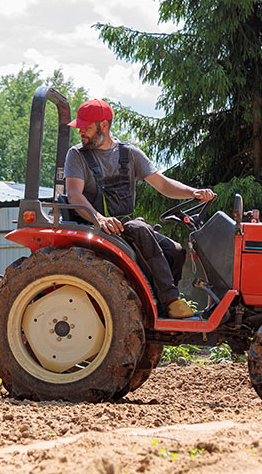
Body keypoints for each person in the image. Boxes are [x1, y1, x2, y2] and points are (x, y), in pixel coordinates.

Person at [64, 99, 215, 319]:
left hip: (125, 225)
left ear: (104, 125)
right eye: (80, 127)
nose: (81, 132)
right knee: (139, 228)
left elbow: (162, 184)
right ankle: (171, 300)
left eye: (86, 127)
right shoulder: (77, 155)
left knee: (175, 251)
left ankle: (159, 308)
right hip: (95, 226)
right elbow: (74, 194)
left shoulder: (130, 154)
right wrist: (100, 218)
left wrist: (193, 192)